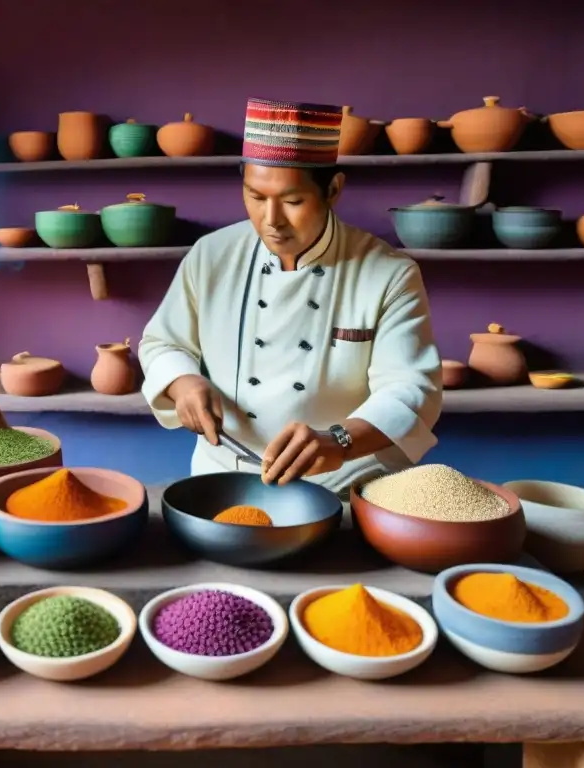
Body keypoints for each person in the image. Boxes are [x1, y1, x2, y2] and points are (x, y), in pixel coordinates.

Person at [139, 97, 443, 495]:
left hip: (340, 481)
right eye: (255, 196)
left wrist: (338, 441)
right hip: (222, 472)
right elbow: (162, 341)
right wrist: (183, 383)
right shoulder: (210, 255)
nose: (271, 220)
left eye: (293, 201)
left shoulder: (388, 273)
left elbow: (410, 389)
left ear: (333, 190)